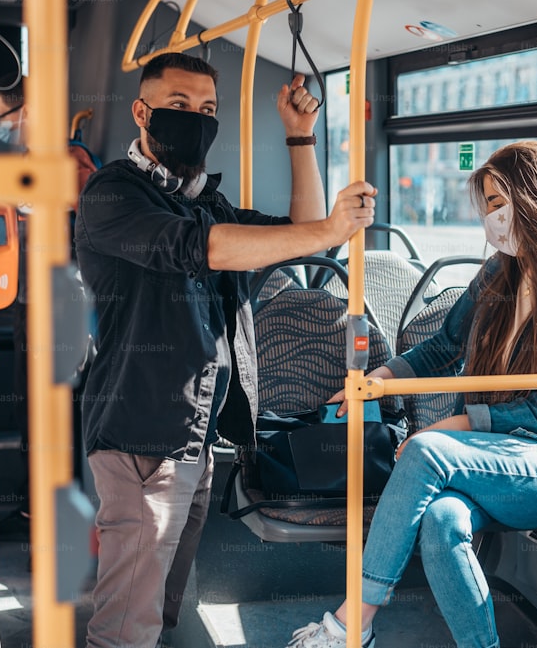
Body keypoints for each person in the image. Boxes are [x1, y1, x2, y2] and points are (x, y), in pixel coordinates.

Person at [74, 52, 376, 648]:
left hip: (194, 432)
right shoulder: (113, 195)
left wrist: (299, 137)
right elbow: (198, 249)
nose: (197, 121)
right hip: (140, 430)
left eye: (208, 110)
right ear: (142, 112)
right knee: (124, 620)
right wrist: (328, 232)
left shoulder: (204, 200)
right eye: (179, 107)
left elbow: (297, 235)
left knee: (157, 605)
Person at [288, 140, 537, 648]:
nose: (491, 219)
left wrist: (454, 426)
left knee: (426, 450)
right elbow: (445, 346)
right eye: (487, 206)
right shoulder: (497, 275)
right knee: (442, 521)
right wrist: (377, 380)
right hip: (495, 458)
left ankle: (350, 626)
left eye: (499, 203)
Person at [0, 76, 99, 529]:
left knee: (56, 413)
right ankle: (38, 507)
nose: (0, 126)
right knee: (30, 412)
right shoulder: (30, 162)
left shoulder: (70, 160)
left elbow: (88, 208)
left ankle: (59, 518)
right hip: (30, 304)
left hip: (60, 308)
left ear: (29, 111)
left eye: (3, 117)